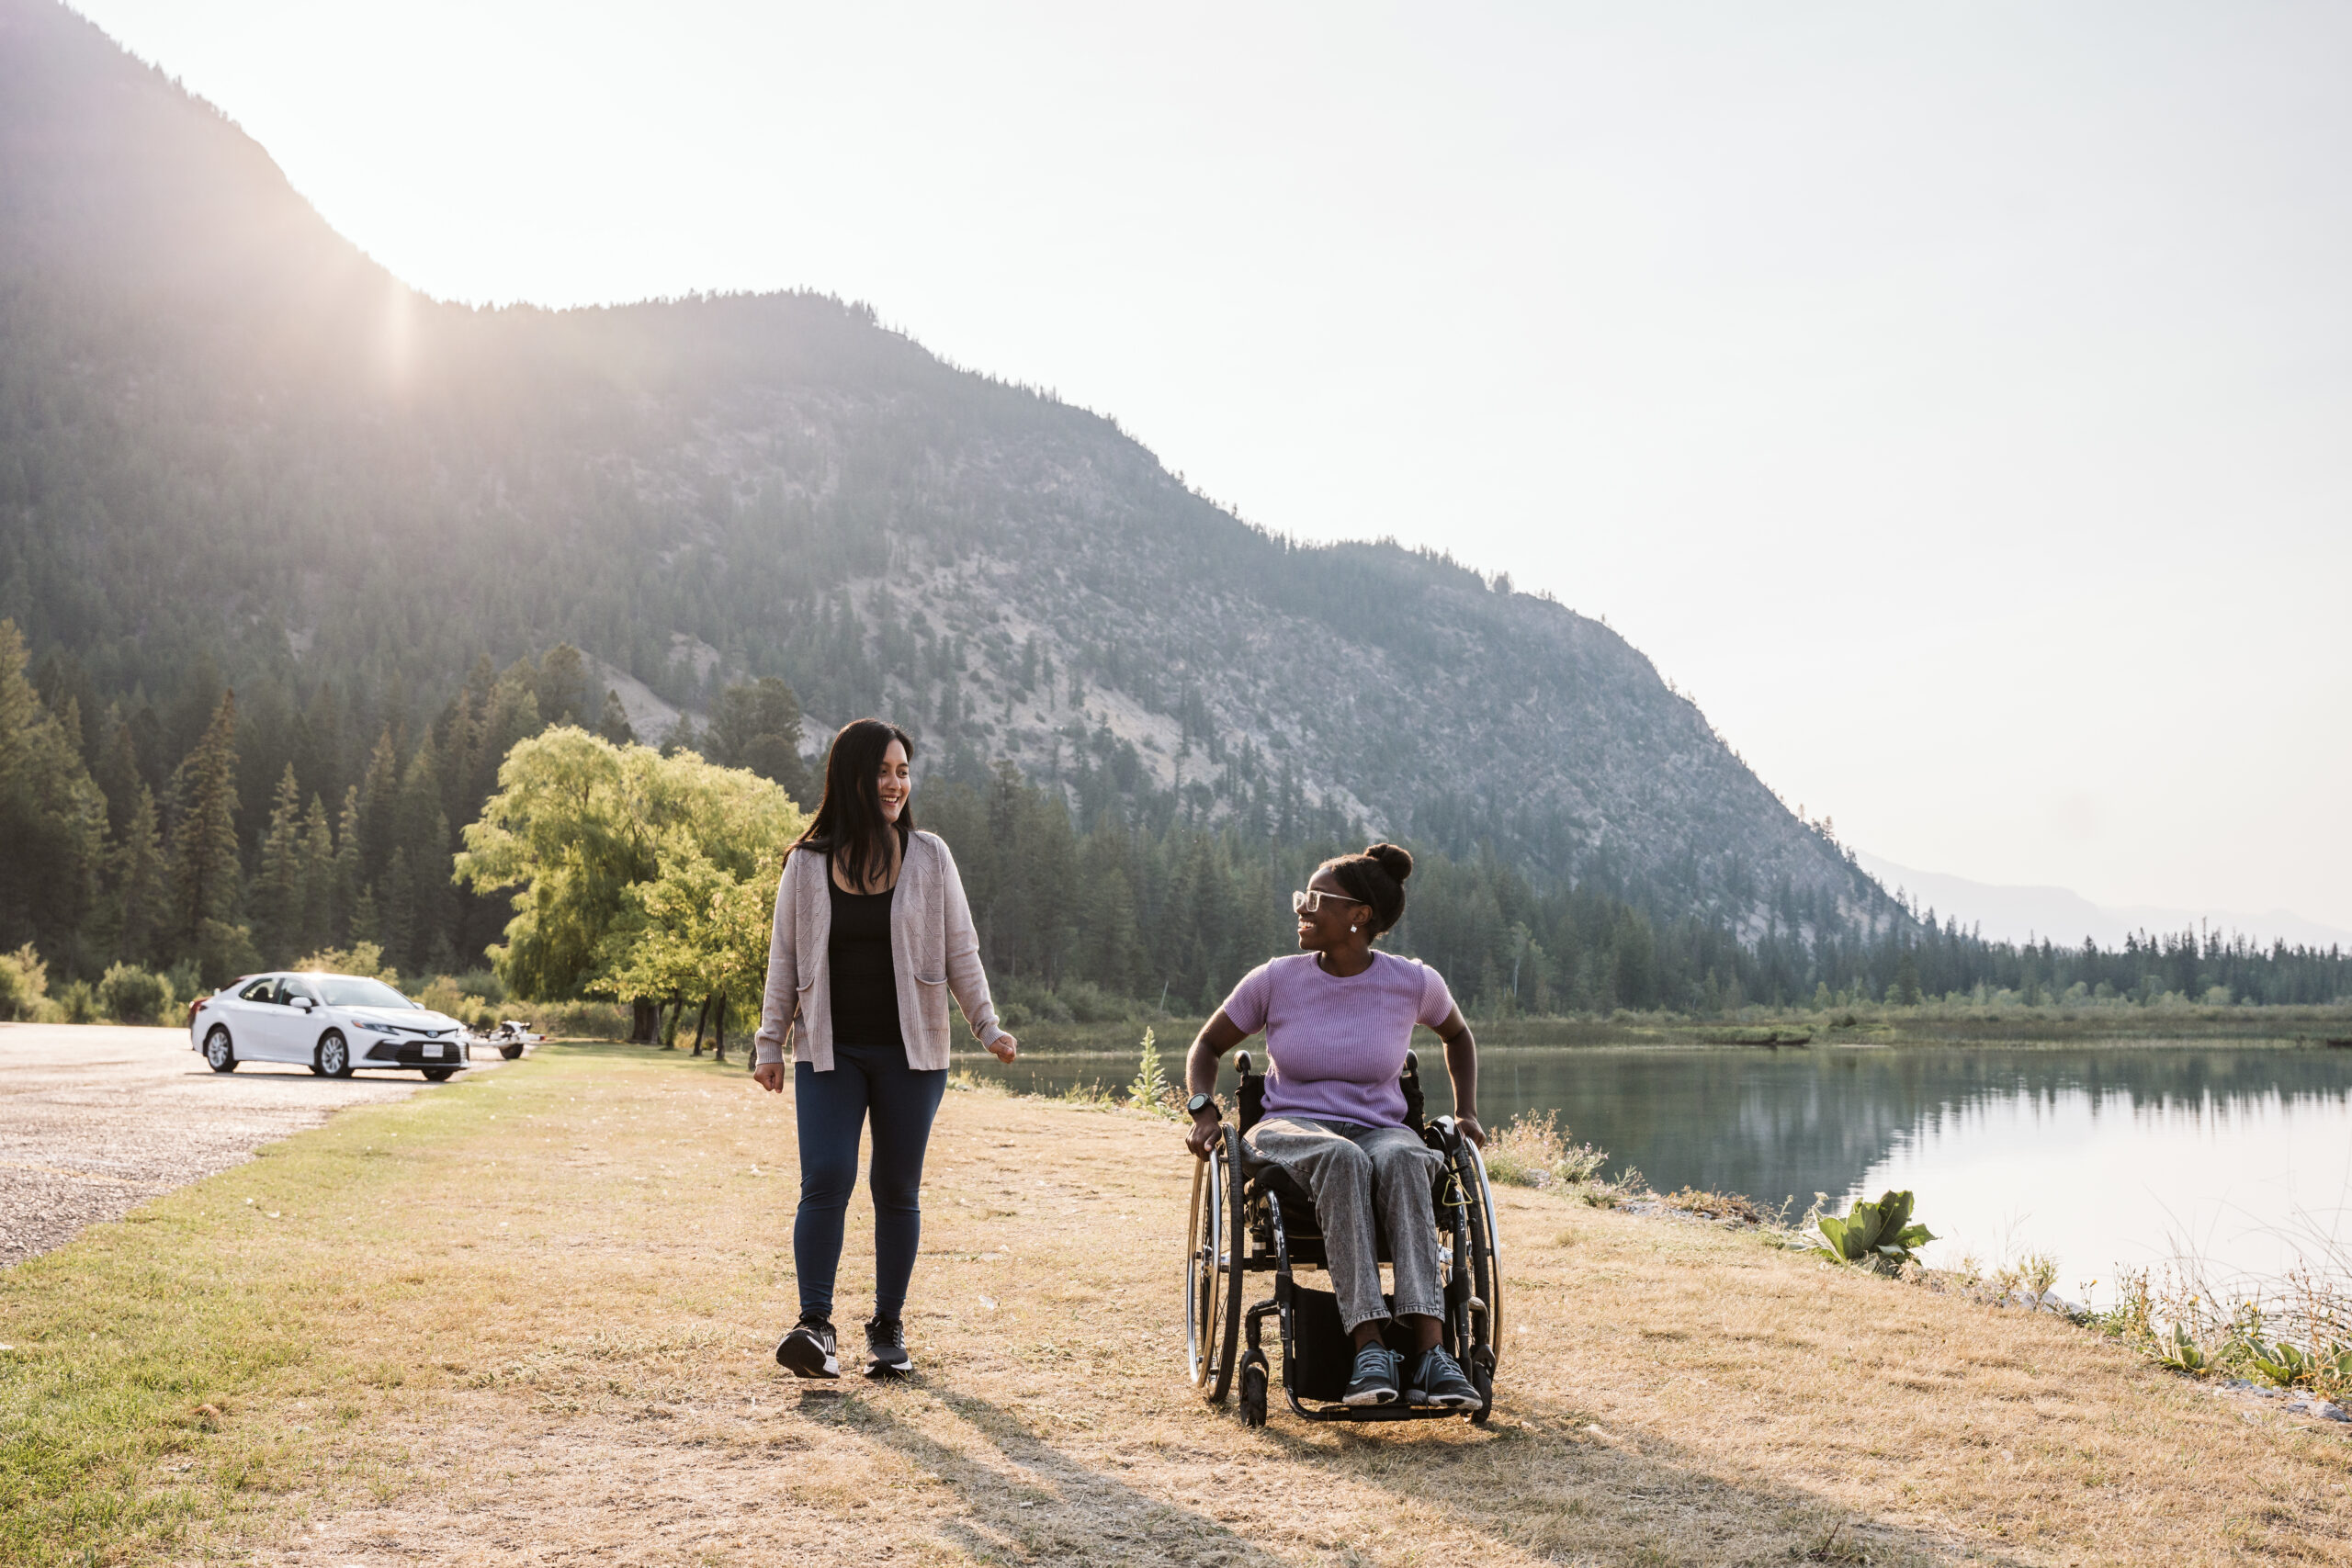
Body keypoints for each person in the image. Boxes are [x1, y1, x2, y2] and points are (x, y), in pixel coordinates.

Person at [753, 718, 1017, 1379]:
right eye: (883, 771)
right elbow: (783, 960)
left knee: (895, 1186)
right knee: (826, 1179)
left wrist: (987, 1025)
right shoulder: (807, 865)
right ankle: (814, 1325)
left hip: (913, 1053)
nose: (896, 783)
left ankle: (887, 1325)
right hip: (829, 1053)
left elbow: (962, 949)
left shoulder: (931, 856)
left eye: (903, 770)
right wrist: (770, 1042)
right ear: (853, 777)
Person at [1182, 842, 1487, 1408]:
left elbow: (1458, 1036)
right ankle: (1368, 1346)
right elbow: (1207, 1045)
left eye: (1314, 899)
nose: (1301, 906)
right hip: (1289, 1129)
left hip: (1381, 1129)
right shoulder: (1275, 979)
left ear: (1359, 916)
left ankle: (1430, 1354)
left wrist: (1466, 1111)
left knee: (1403, 1157)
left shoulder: (1413, 982)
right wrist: (1204, 1110)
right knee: (1342, 1158)